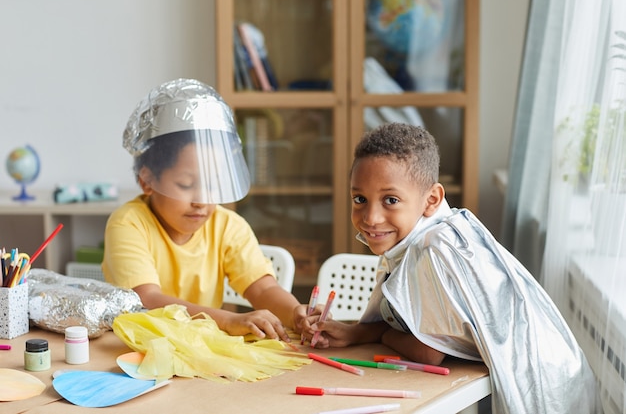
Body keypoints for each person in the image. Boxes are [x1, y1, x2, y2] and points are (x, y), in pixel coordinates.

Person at [307, 123, 602, 413]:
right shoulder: (426, 235)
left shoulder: (434, 251)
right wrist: (356, 333)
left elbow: (429, 352)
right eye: (360, 199)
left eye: (391, 200)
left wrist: (380, 336)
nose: (371, 217)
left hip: (546, 390)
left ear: (431, 199)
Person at [103, 78, 310, 342]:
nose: (202, 200)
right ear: (148, 180)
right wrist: (228, 320)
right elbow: (146, 299)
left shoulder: (227, 226)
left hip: (200, 347)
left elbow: (262, 287)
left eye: (213, 185)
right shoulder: (128, 224)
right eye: (186, 184)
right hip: (139, 347)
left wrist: (296, 314)